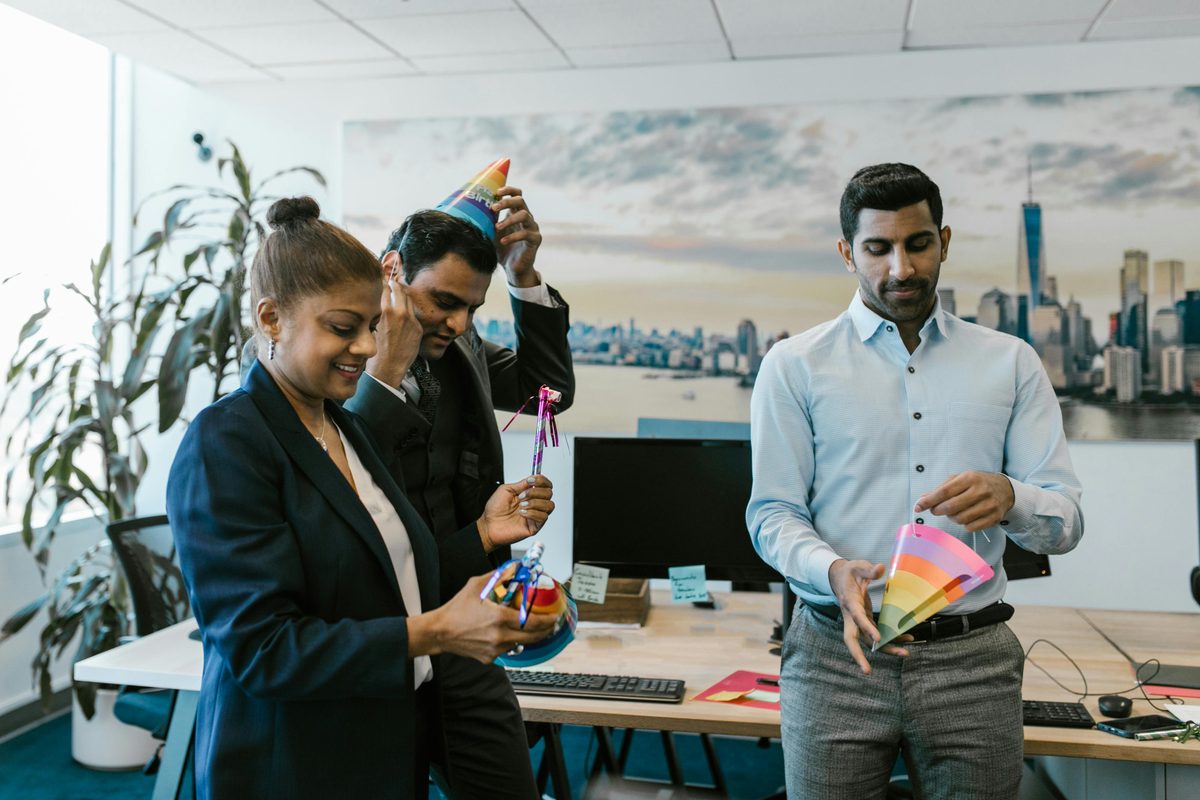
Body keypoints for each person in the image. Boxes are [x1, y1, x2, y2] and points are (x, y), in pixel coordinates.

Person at [166, 196, 560, 799]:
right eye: (343, 328)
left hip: (380, 736)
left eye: (375, 326)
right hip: (294, 761)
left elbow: (394, 581)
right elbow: (264, 650)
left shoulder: (345, 428)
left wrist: (483, 532)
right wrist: (434, 633)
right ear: (271, 320)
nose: (367, 346)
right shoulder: (227, 439)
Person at [746, 163, 1083, 800]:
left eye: (918, 244)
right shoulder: (794, 366)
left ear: (944, 242)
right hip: (833, 656)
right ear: (848, 253)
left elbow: (1065, 521)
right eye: (878, 248)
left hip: (972, 662)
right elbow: (772, 514)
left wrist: (1013, 497)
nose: (901, 268)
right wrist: (830, 568)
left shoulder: (1010, 362)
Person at [345, 181, 574, 797]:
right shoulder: (334, 352)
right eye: (443, 300)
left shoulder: (459, 337)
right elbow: (342, 476)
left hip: (467, 611)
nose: (459, 321)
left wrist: (523, 277)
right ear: (392, 270)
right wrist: (385, 372)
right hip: (373, 641)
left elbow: (547, 393)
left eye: (473, 306)